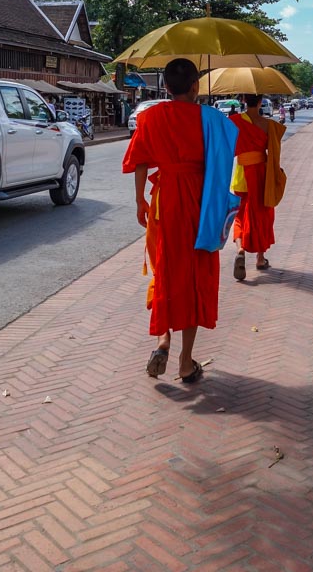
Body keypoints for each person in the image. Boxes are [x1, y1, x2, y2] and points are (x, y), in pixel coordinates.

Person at [122, 58, 237, 383]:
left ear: (167, 87)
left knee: (166, 268)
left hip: (164, 202)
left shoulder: (149, 116)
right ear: (195, 87)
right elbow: (230, 151)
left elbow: (140, 161)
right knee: (196, 274)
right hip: (202, 204)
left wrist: (139, 201)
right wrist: (214, 119)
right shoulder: (212, 119)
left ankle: (163, 340)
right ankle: (186, 362)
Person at [230, 94, 286, 281]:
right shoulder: (268, 124)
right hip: (261, 176)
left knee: (240, 215)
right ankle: (260, 259)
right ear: (261, 102)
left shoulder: (234, 122)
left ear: (244, 101)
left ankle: (240, 249)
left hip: (241, 175)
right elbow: (275, 152)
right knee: (262, 215)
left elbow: (226, 148)